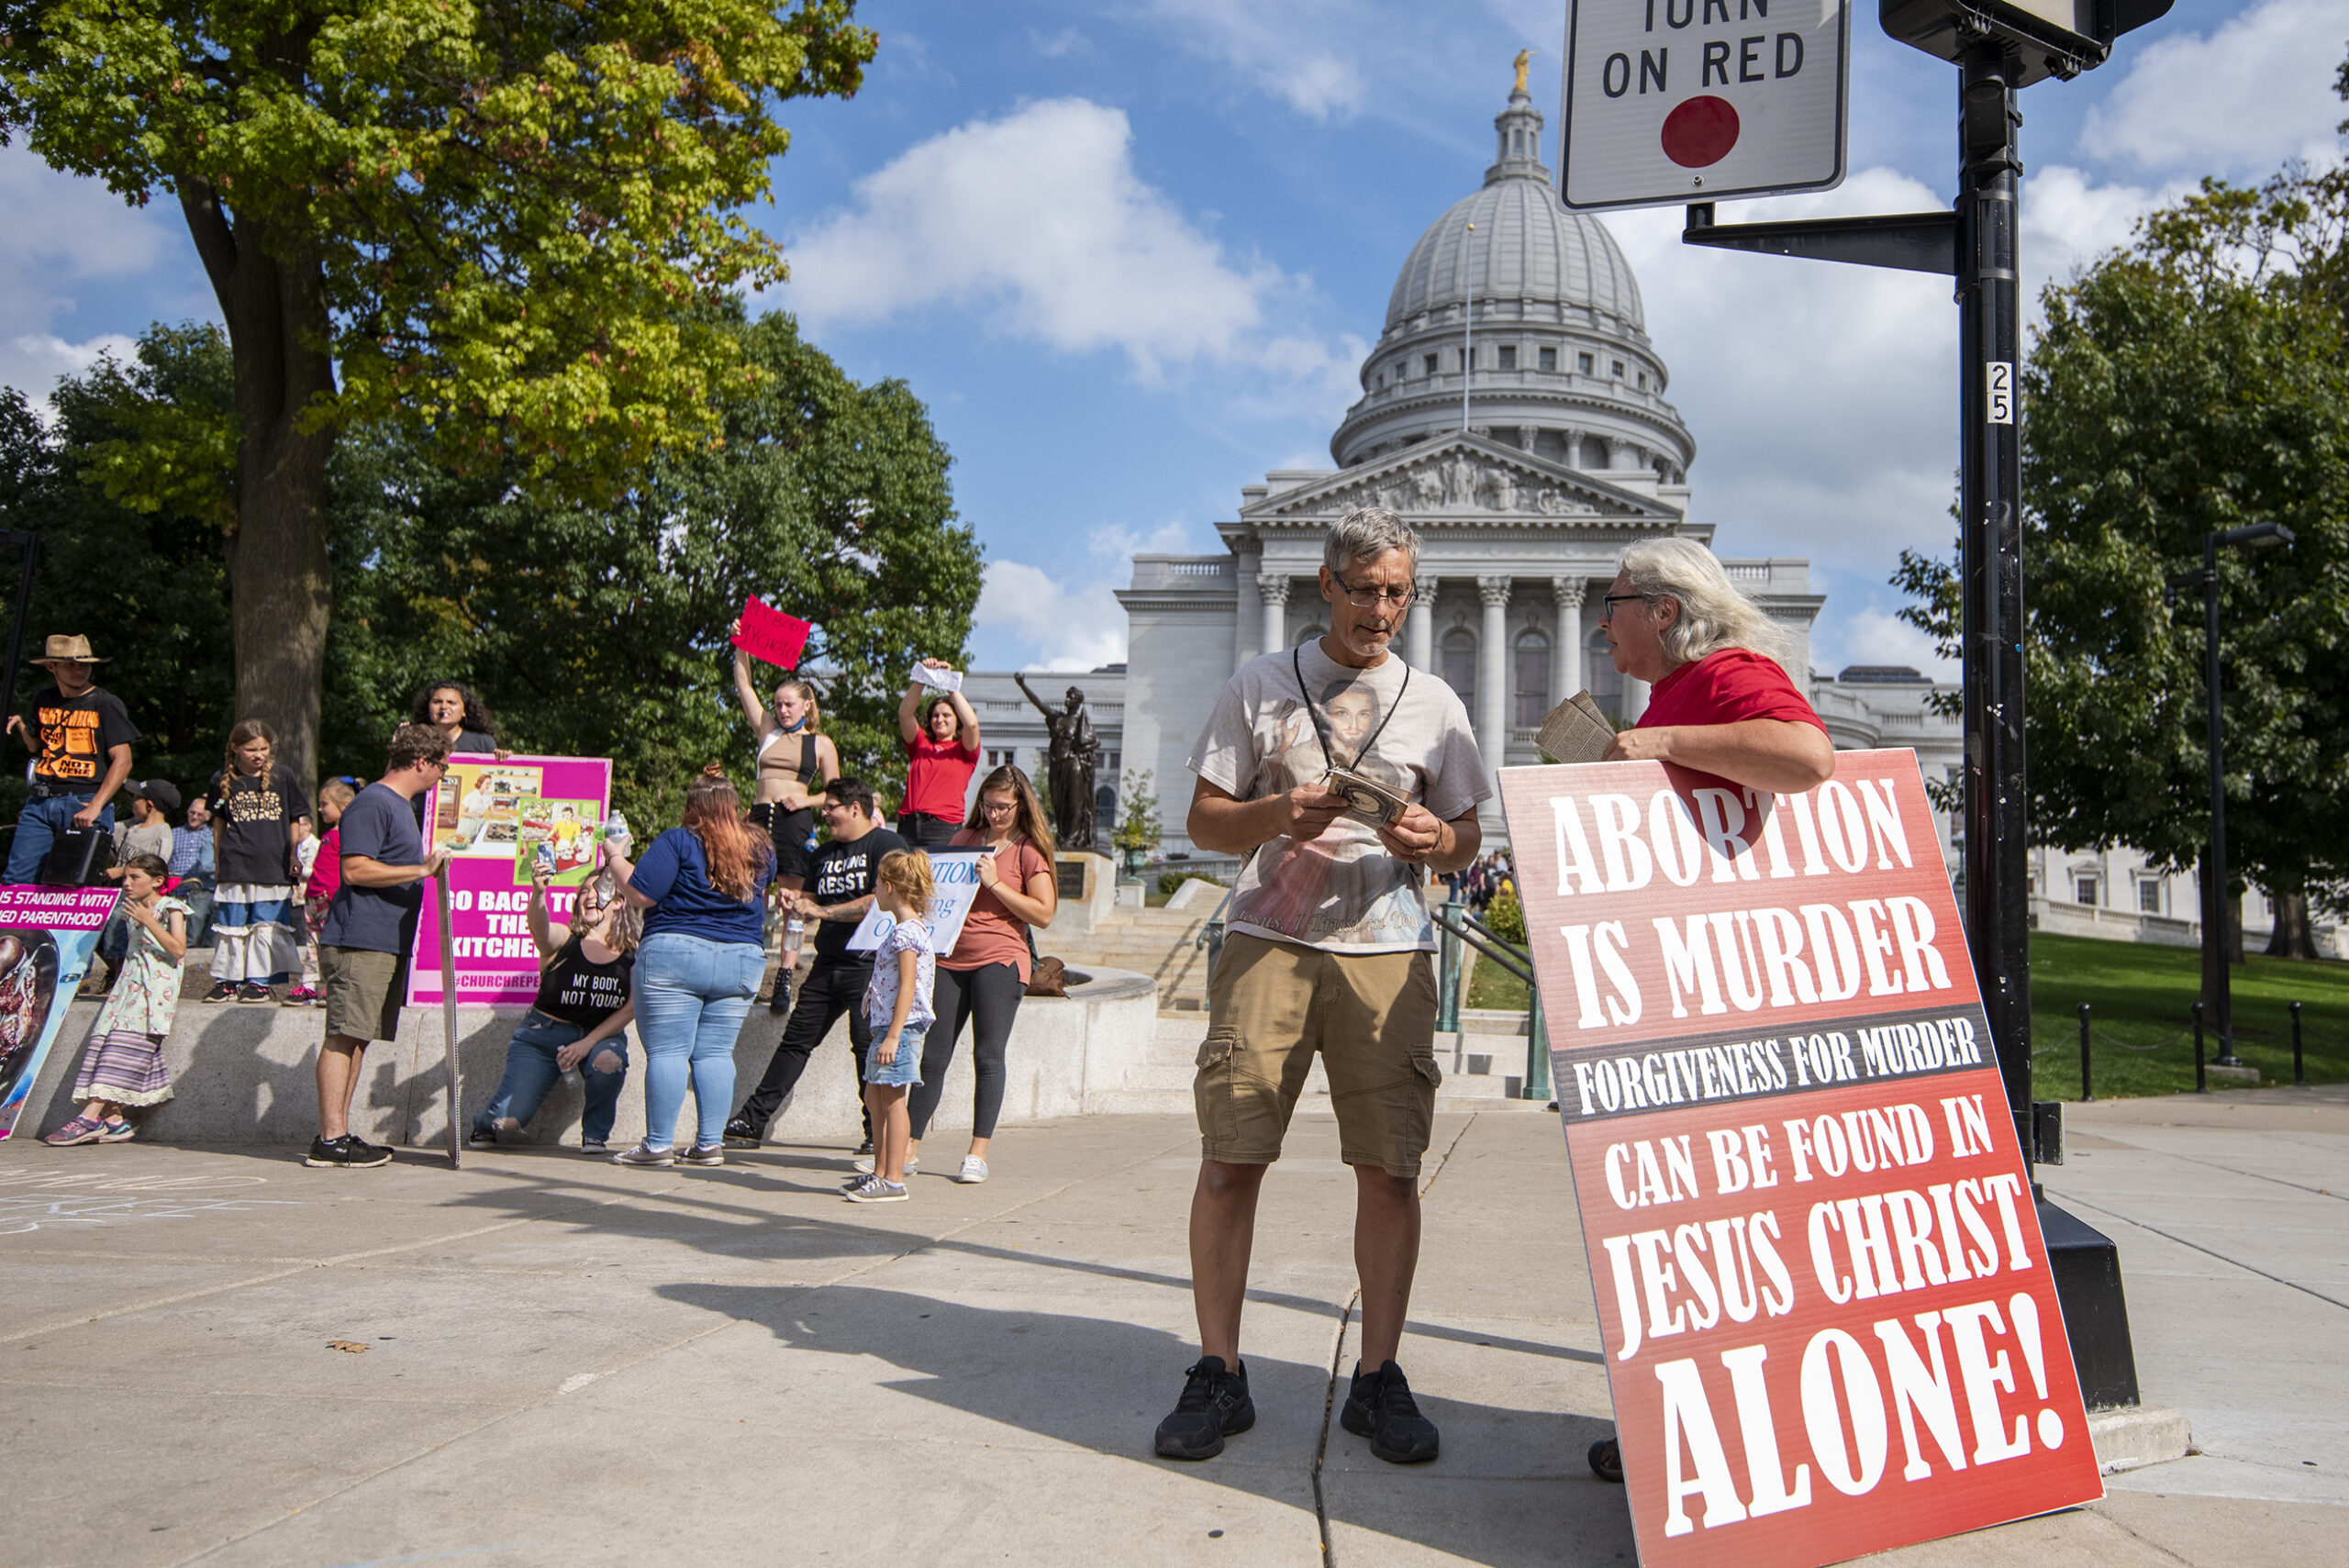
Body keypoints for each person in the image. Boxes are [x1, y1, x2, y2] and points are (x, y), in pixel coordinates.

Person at [1153, 506, 1487, 1467]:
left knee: (1388, 1168)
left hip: (1388, 952)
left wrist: (1437, 839)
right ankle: (1219, 1368)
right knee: (1231, 1155)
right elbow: (1206, 822)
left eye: (1397, 591)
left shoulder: (1434, 701)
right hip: (1269, 937)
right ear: (1326, 585)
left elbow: (1466, 834)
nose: (1381, 609)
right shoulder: (1259, 683)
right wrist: (1274, 811)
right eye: (1365, 589)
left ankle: (1377, 1375)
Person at [1583, 537, 1836, 1485]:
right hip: (1681, 995)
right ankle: (1683, 1436)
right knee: (1680, 1239)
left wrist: (1656, 743)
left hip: (1734, 1002)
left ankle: (1752, 1449)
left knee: (1737, 1233)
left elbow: (1807, 758)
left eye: (1610, 601)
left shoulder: (1730, 674)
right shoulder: (1675, 693)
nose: (1599, 618)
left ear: (1665, 609)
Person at [603, 770, 774, 1169]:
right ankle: (709, 1145)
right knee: (716, 1053)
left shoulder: (678, 840)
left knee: (668, 1052)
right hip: (741, 959)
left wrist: (615, 857)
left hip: (675, 953)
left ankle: (659, 1145)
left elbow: (642, 893)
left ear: (692, 808)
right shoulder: (761, 847)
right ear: (734, 808)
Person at [724, 776, 906, 1149]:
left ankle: (876, 1132)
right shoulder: (821, 853)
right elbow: (807, 903)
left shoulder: (887, 844)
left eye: (830, 807)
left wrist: (821, 910)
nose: (824, 815)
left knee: (865, 1046)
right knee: (795, 1042)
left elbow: (881, 900)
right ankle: (752, 1121)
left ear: (855, 808)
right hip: (827, 964)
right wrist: (794, 903)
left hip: (869, 965)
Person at [898, 764, 1057, 1185]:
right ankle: (909, 1146)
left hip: (1000, 959)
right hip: (951, 957)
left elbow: (1043, 914)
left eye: (1003, 807)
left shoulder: (1028, 852)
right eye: (988, 806)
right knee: (932, 1056)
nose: (994, 814)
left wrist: (997, 885)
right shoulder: (963, 839)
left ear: (1021, 805)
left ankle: (977, 1152)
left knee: (988, 1054)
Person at [311, 724, 452, 1169]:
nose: (442, 777)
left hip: (381, 941)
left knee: (358, 1039)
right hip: (358, 940)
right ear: (422, 763)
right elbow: (354, 870)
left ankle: (340, 1134)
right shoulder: (374, 802)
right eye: (442, 768)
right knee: (343, 1035)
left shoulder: (397, 805)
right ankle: (330, 1138)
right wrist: (421, 870)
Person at [470, 872, 641, 1152]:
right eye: (584, 891)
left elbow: (631, 1008)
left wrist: (586, 1044)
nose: (588, 895)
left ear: (619, 902)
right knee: (508, 1120)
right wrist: (538, 893)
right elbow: (540, 929)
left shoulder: (632, 952)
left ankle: (596, 1135)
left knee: (609, 1060)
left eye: (597, 890)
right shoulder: (565, 938)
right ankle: (484, 1123)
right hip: (542, 1036)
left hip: (598, 1037)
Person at [726, 626, 840, 1014]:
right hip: (759, 819)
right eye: (777, 704)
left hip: (795, 822)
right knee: (749, 893)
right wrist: (742, 644)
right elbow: (744, 684)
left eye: (789, 704)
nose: (782, 710)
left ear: (806, 705)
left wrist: (806, 797)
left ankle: (785, 975)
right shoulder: (767, 731)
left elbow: (837, 793)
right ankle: (748, 967)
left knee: (792, 902)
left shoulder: (820, 743)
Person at [41, 854, 188, 1145]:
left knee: (121, 1054)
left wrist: (149, 920)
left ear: (158, 881)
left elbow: (179, 949)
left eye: (135, 877)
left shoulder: (172, 908)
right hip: (125, 992)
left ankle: (88, 1117)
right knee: (107, 1049)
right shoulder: (128, 908)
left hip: (153, 996)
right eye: (125, 877)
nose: (127, 883)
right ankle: (115, 1121)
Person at [4, 634, 137, 884]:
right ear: (51, 666)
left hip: (85, 800)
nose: (80, 670)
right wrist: (22, 724)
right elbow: (35, 745)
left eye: (85, 664)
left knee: (77, 883)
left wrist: (96, 805)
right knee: (16, 882)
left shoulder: (105, 703)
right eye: (71, 665)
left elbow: (124, 761)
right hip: (41, 802)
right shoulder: (44, 699)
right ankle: (21, 926)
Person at [845, 850, 937, 1204]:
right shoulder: (905, 930)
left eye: (877, 886)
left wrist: (895, 1035)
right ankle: (880, 1172)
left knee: (894, 1101)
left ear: (888, 886)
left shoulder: (906, 935)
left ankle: (893, 1179)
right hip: (886, 1029)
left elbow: (908, 986)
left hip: (899, 1030)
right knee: (876, 1097)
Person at [202, 720, 310, 1005]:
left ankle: (259, 982)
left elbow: (294, 819)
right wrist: (217, 860)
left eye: (264, 748)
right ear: (236, 748)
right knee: (232, 925)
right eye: (251, 749)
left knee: (266, 925)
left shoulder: (282, 777)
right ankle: (227, 981)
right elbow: (218, 825)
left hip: (273, 864)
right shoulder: (221, 780)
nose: (258, 754)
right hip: (235, 861)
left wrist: (293, 855)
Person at [84, 779, 180, 996]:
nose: (132, 803)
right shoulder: (131, 826)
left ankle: (121, 980)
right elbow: (107, 833)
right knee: (98, 934)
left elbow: (158, 864)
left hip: (133, 895)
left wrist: (122, 870)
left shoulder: (162, 832)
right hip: (113, 890)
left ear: (150, 804)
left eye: (136, 799)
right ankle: (115, 973)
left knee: (117, 933)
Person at [895, 660, 981, 850]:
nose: (939, 719)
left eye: (946, 715)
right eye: (935, 715)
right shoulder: (921, 746)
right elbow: (905, 715)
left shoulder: (964, 751)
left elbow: (972, 724)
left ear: (957, 720)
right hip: (909, 825)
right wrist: (922, 677)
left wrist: (950, 684)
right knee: (903, 878)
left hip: (943, 827)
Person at [290, 779, 355, 1006]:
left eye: (324, 804)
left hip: (330, 899)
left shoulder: (348, 835)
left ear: (344, 805)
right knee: (312, 944)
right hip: (313, 898)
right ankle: (308, 985)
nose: (320, 809)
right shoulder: (328, 834)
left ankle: (332, 986)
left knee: (331, 945)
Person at [168, 795, 217, 947]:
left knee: (208, 929)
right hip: (177, 888)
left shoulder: (212, 835)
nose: (194, 817)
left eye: (199, 814)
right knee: (182, 932)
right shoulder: (174, 833)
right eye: (192, 812)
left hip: (202, 888)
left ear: (207, 817)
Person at [410, 681, 500, 755]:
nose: (444, 706)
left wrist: (504, 757)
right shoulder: (416, 740)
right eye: (437, 702)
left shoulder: (482, 741)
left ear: (464, 711)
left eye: (451, 702)